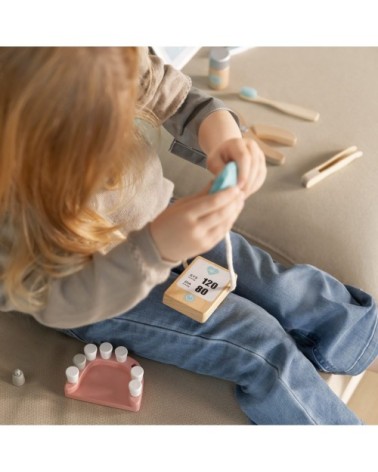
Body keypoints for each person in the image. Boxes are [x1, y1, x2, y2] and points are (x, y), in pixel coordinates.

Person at [0, 46, 377, 425]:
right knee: (259, 344)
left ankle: (363, 341)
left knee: (283, 287)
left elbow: (178, 99)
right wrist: (154, 249)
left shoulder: (104, 53)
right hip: (98, 288)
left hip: (158, 213)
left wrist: (225, 140)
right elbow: (50, 297)